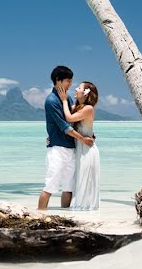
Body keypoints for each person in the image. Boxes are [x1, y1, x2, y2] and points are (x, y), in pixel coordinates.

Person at [37, 66, 96, 211]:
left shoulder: (67, 98)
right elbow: (64, 126)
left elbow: (75, 119)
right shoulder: (51, 101)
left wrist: (89, 132)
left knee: (69, 187)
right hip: (57, 149)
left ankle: (65, 216)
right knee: (50, 185)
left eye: (71, 81)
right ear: (58, 80)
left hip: (71, 148)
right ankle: (39, 216)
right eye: (68, 81)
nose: (70, 84)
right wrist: (83, 139)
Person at [57, 81, 101, 211]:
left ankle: (85, 212)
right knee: (76, 180)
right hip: (79, 147)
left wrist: (64, 101)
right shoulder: (76, 106)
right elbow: (64, 122)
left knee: (85, 181)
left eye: (79, 87)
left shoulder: (88, 108)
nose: (75, 88)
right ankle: (75, 211)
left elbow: (69, 118)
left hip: (87, 149)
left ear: (86, 93)